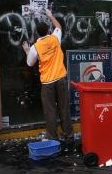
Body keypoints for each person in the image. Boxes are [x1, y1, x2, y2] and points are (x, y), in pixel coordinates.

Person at [22, 9, 73, 144]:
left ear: (37, 33)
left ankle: (53, 137)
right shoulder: (55, 38)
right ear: (47, 31)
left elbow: (29, 63)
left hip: (47, 83)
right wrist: (51, 16)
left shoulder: (35, 47)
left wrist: (27, 50)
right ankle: (68, 135)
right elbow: (59, 27)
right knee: (64, 108)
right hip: (61, 78)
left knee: (50, 111)